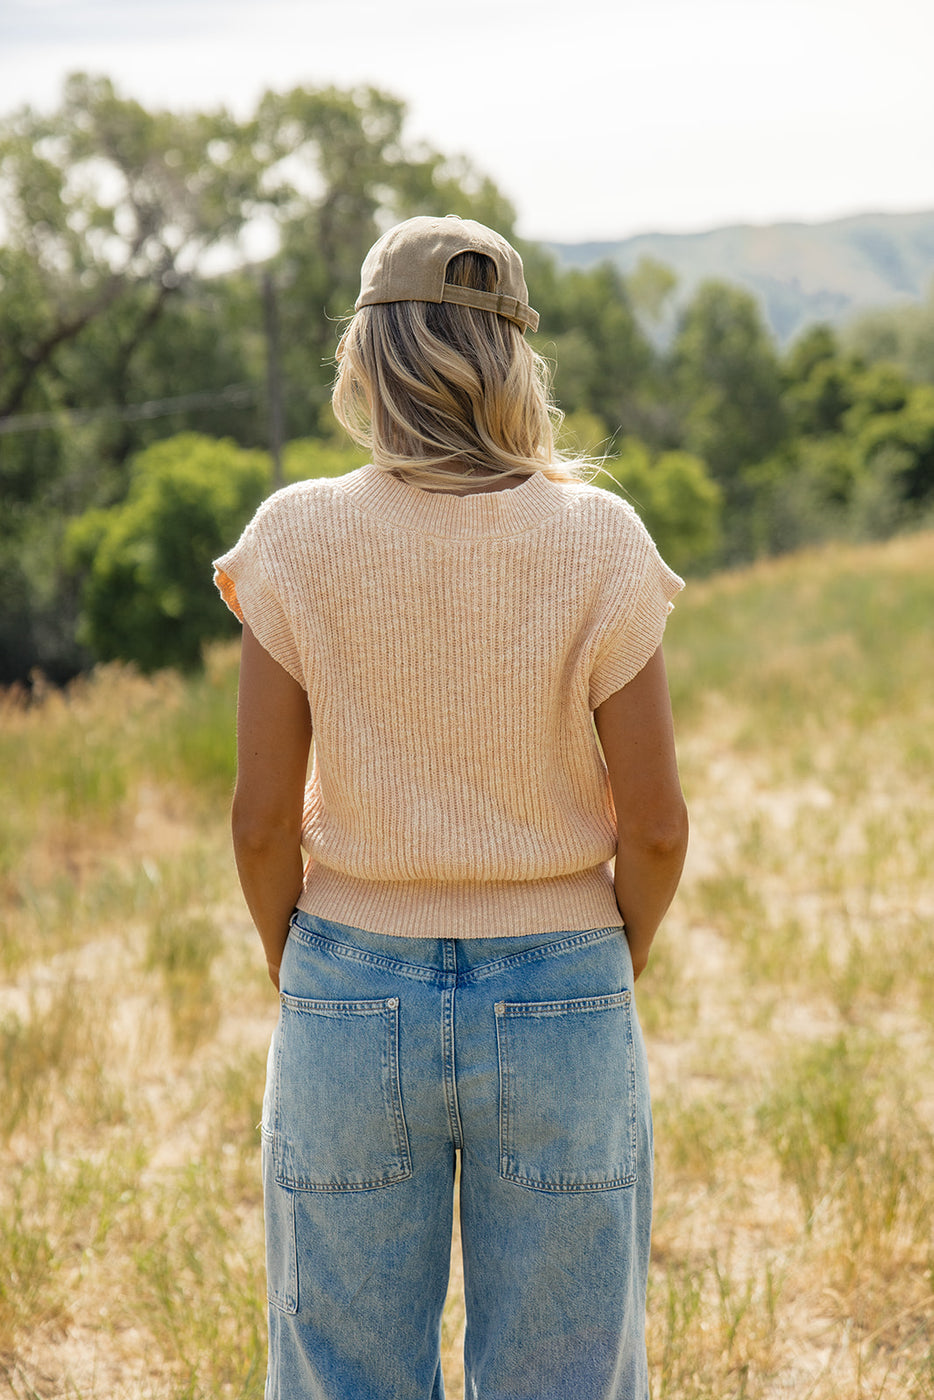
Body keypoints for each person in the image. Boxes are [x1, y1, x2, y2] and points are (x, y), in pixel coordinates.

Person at [213, 214, 688, 1400]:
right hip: (566, 980)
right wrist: (599, 954)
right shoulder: (600, 538)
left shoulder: (296, 534)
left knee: (341, 1371)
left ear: (366, 360)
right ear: (512, 360)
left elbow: (262, 820)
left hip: (347, 985)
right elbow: (659, 824)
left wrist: (307, 964)